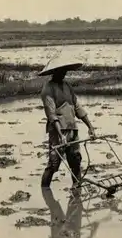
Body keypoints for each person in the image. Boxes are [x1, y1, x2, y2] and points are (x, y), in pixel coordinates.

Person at [39, 58, 96, 188]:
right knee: (53, 164)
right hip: (58, 131)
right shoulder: (48, 89)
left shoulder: (67, 86)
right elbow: (51, 114)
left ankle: (77, 190)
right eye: (61, 71)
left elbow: (77, 107)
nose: (64, 73)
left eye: (65, 71)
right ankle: (45, 190)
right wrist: (60, 135)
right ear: (54, 72)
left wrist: (90, 127)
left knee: (76, 161)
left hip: (72, 129)